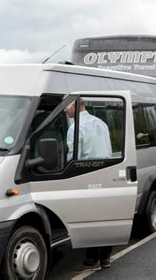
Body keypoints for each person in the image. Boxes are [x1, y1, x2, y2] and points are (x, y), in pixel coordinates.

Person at [67, 99, 113, 271]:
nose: (65, 110)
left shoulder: (74, 128)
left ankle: (91, 259)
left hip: (85, 176)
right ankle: (105, 258)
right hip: (106, 174)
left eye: (67, 105)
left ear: (76, 105)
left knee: (89, 219)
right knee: (105, 218)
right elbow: (108, 150)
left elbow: (72, 157)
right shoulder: (102, 124)